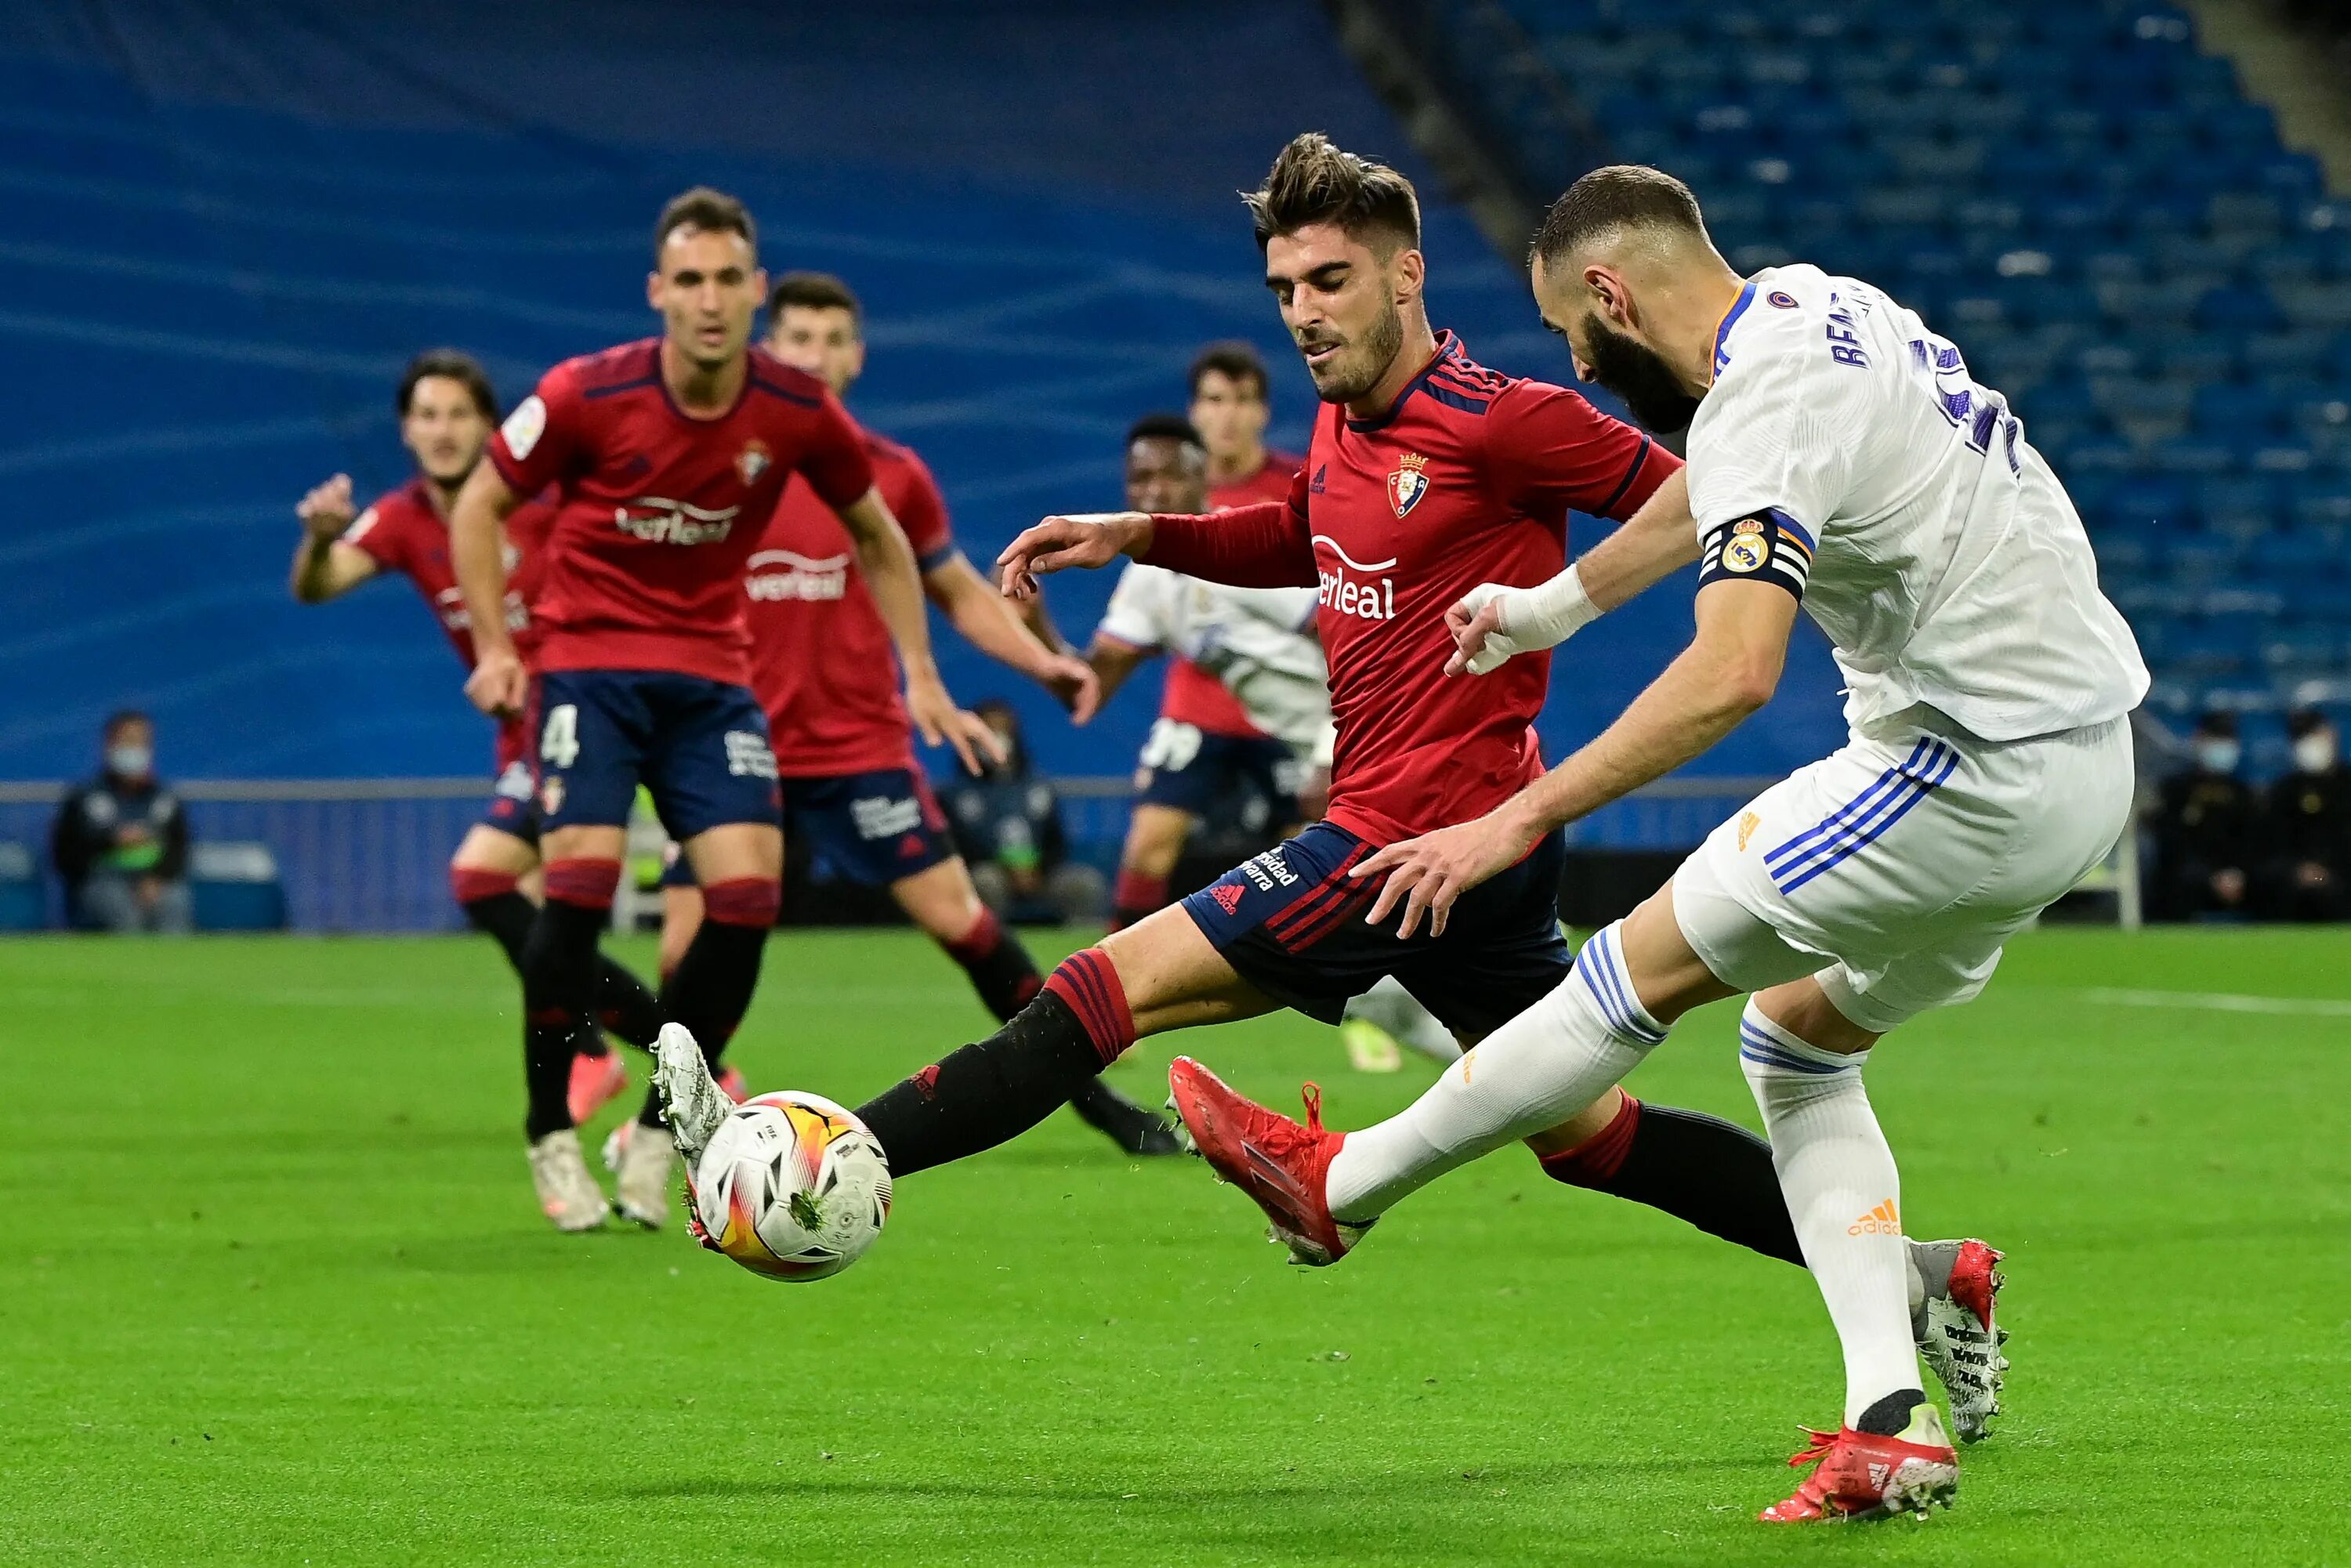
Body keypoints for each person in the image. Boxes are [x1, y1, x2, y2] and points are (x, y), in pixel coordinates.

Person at [654, 135, 1998, 1422]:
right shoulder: (1352, 418)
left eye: (1330, 280)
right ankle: (1926, 1278)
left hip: (1405, 838)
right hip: (1456, 854)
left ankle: (832, 1155)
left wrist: (1563, 605)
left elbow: (1703, 486)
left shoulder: (1508, 421)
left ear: (1407, 274)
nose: (1302, 310)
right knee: (1587, 1133)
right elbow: (1307, 526)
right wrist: (1144, 533)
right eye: (1284, 288)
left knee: (1096, 991)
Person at [1169, 164, 2150, 1521]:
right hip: (2084, 772)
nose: (1578, 363)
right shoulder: (1817, 304)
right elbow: (1707, 496)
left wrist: (1515, 816)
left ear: (1612, 299)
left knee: (1628, 975)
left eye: (1576, 337)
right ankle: (1893, 1412)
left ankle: (1349, 1181)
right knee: (1794, 1043)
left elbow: (1736, 671)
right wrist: (1550, 609)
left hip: (1961, 769)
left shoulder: (1762, 398)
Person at [450, 187, 994, 1232]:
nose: (708, 301)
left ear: (753, 291)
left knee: (746, 900)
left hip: (710, 678)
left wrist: (920, 672)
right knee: (577, 890)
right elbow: (482, 501)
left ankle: (664, 1124)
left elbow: (879, 535)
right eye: (687, 281)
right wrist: (494, 646)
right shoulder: (584, 393)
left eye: (726, 281)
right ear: (659, 292)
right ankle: (547, 1129)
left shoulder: (792, 408)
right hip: (592, 669)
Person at [650, 271, 1169, 1158]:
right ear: (773, 349)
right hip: (737, 748)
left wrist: (1044, 661)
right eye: (797, 338)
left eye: (831, 339)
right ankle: (666, 1131)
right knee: (682, 959)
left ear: (856, 356)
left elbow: (962, 593)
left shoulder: (891, 476)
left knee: (969, 927)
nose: (813, 354)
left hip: (860, 750)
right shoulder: (723, 468)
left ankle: (1092, 1100)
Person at [288, 349, 663, 1124]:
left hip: (582, 719)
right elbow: (317, 587)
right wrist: (321, 540)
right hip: (517, 738)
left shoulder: (547, 498)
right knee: (538, 919)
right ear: (405, 429)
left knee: (488, 884)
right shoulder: (400, 519)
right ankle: (643, 1056)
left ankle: (646, 1055)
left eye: (459, 414)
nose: (443, 430)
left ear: (492, 426)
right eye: (427, 415)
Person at [1103, 349, 1306, 929]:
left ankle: (1359, 997)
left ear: (1263, 412)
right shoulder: (1168, 499)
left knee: (1315, 861)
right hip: (1200, 709)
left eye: (1242, 401)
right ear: (1195, 412)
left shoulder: (1300, 487)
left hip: (1288, 717)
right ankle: (1107, 988)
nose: (1229, 417)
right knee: (1146, 847)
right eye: (1215, 401)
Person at [944, 698, 1107, 924]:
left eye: (1003, 730)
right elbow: (954, 849)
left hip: (1040, 875)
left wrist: (1039, 870)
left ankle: (1080, 955)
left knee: (1083, 884)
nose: (997, 738)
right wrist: (1006, 869)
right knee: (985, 882)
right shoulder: (954, 794)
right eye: (989, 729)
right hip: (990, 873)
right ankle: (990, 947)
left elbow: (1056, 842)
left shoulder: (1037, 787)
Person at [52, 712, 190, 933]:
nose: (134, 749)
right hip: (100, 882)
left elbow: (180, 849)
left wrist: (157, 878)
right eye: (127, 741)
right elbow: (64, 855)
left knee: (174, 902)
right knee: (120, 911)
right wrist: (112, 840)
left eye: (140, 742)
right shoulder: (85, 798)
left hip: (154, 879)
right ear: (109, 744)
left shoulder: (163, 799)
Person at [2147, 712, 2260, 920]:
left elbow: (2252, 841)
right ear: (2199, 740)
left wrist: (2236, 873)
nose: (2223, 745)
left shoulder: (2242, 792)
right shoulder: (2178, 789)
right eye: (2216, 738)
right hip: (2192, 873)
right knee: (2180, 880)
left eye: (2228, 738)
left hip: (2236, 873)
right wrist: (2212, 877)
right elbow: (2172, 843)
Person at [2258, 708, 2349, 921]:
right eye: (2300, 737)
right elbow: (2273, 844)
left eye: (2312, 734)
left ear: (2331, 733)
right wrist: (2299, 869)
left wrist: (2327, 872)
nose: (2307, 743)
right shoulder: (2285, 791)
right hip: (2296, 877)